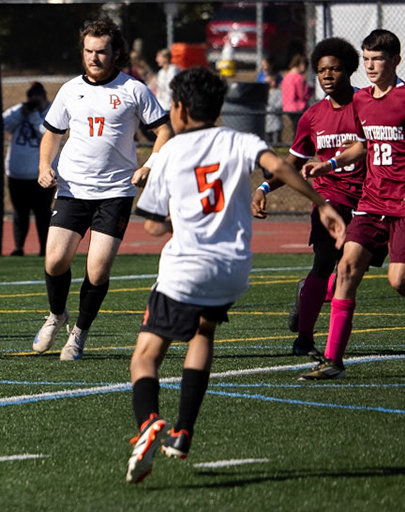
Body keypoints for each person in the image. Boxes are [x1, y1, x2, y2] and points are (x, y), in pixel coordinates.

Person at [124, 66, 344, 483]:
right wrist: (323, 204)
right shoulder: (240, 140)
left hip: (186, 266)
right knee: (203, 333)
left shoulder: (170, 153)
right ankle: (183, 431)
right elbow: (277, 166)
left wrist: (177, 218)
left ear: (181, 109)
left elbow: (152, 225)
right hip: (233, 269)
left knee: (146, 356)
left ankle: (149, 421)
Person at [298, 29, 405, 380]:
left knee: (401, 281)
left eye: (377, 59)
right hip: (371, 199)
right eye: (366, 59)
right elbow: (362, 144)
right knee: (347, 268)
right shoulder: (361, 100)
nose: (370, 65)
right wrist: (330, 163)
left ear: (395, 61)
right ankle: (333, 360)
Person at [31, 17, 172, 361]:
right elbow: (52, 132)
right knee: (54, 261)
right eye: (88, 51)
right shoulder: (69, 89)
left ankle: (78, 333)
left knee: (97, 270)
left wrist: (148, 167)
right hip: (72, 189)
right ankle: (56, 315)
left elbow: (165, 132)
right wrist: (44, 166)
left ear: (116, 53)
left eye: (101, 52)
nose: (94, 58)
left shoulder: (133, 90)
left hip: (115, 193)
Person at [258, 38, 364, 360]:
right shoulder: (312, 117)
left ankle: (307, 295)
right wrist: (263, 189)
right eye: (321, 71)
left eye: (334, 69)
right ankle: (304, 338)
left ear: (349, 70)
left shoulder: (367, 105)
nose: (327, 75)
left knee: (357, 267)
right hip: (329, 199)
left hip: (370, 198)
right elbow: (290, 167)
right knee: (324, 261)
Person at [2, 82, 52, 256]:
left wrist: (34, 115)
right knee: (19, 212)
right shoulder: (21, 110)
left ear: (44, 97)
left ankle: (45, 248)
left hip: (41, 174)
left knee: (43, 213)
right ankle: (18, 247)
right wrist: (22, 112)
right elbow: (2, 124)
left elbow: (46, 133)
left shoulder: (51, 111)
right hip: (16, 173)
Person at [279, 53, 312, 143]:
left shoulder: (286, 77)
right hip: (298, 107)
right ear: (301, 65)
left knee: (295, 127)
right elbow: (302, 95)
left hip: (288, 106)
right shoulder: (299, 78)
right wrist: (310, 91)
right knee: (299, 129)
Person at [149, 47, 178, 111]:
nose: (157, 60)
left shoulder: (173, 69)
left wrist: (157, 82)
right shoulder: (161, 72)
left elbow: (170, 87)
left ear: (166, 58)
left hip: (169, 105)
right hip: (161, 105)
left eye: (159, 57)